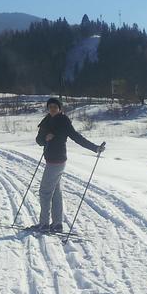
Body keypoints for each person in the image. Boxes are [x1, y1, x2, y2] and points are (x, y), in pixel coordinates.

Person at [31, 97, 103, 233]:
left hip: (56, 161)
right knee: (55, 193)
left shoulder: (63, 122)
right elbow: (39, 140)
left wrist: (95, 148)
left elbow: (76, 137)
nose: (52, 109)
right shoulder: (46, 121)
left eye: (55, 107)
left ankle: (44, 224)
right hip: (53, 160)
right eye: (50, 106)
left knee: (45, 192)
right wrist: (45, 138)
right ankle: (57, 224)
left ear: (60, 108)